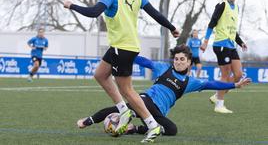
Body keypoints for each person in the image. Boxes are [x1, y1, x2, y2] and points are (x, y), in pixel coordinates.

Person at [63, 0, 179, 143]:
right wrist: (171, 27)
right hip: (123, 46)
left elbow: (94, 12)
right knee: (100, 74)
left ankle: (152, 125)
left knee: (128, 91)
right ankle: (124, 111)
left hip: (122, 48)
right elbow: (155, 14)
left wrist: (72, 6)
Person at [76, 44, 251, 137]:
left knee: (171, 130)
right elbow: (144, 61)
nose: (179, 62)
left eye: (182, 59)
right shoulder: (163, 68)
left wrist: (234, 85)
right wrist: (126, 55)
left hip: (158, 112)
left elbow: (213, 84)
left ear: (189, 62)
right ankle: (89, 120)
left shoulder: (191, 82)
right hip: (145, 101)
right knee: (121, 109)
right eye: (176, 59)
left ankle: (133, 129)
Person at [200, 0, 248, 114]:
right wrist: (205, 42)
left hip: (231, 45)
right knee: (225, 75)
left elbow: (232, 30)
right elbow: (212, 23)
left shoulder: (236, 8)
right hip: (220, 44)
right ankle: (219, 105)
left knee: (238, 75)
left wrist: (240, 42)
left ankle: (217, 95)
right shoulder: (222, 5)